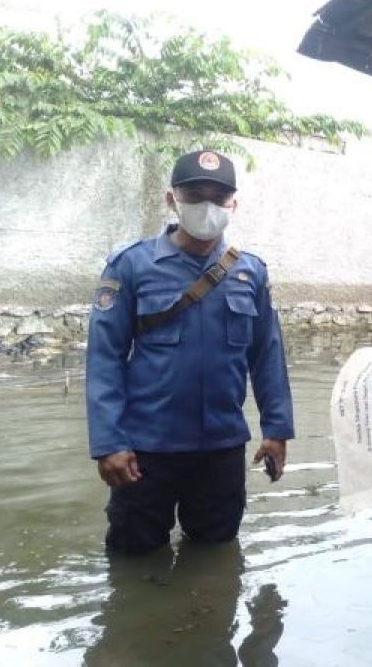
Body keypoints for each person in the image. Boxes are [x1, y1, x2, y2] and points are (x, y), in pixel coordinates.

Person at [85, 149, 294, 554]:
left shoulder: (249, 272)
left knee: (215, 555)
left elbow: (267, 355)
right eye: (195, 195)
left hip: (221, 451)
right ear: (172, 200)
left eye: (218, 197)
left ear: (233, 204)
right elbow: (104, 358)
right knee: (134, 559)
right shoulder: (131, 266)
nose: (207, 206)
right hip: (145, 451)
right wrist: (108, 443)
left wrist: (277, 430)